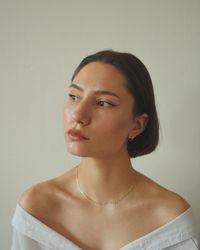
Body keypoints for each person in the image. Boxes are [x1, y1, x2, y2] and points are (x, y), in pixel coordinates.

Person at [11, 50, 199, 250]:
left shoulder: (169, 218)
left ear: (137, 125)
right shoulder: (37, 208)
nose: (78, 114)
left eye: (103, 103)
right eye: (74, 96)